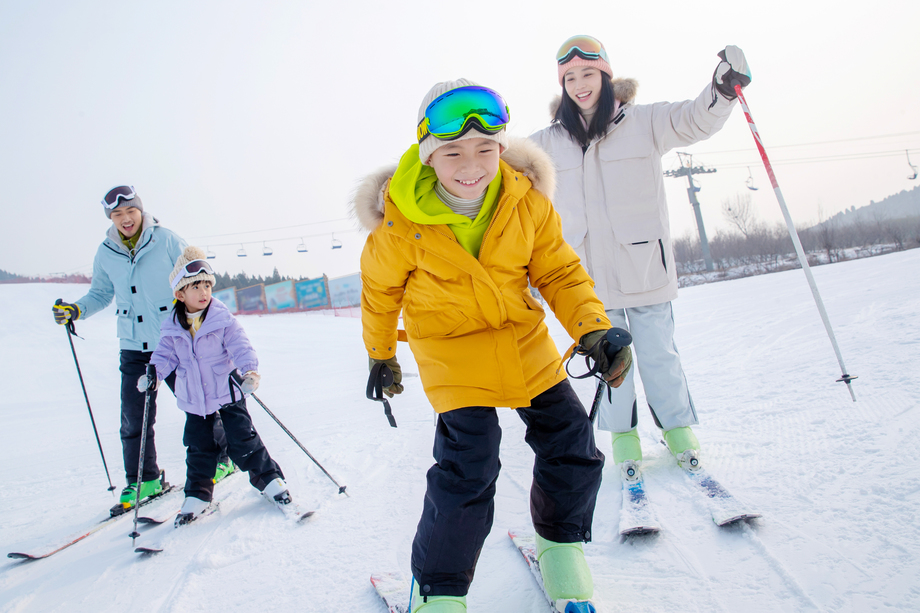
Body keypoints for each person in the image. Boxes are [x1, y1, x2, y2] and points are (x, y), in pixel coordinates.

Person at [353, 79, 631, 612]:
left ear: (501, 149)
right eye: (453, 151)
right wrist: (381, 352)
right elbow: (380, 292)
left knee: (572, 442)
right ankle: (438, 589)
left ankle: (558, 545)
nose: (471, 164)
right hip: (450, 349)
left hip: (521, 341)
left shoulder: (524, 202)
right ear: (428, 155)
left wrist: (591, 329)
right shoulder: (398, 223)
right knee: (470, 464)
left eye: (485, 149)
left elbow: (560, 272)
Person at [529, 36, 752, 472]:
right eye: (570, 77)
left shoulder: (644, 122)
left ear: (606, 75)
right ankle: (624, 438)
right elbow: (499, 167)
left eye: (588, 74)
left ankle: (677, 431)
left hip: (645, 266)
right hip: (586, 278)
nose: (580, 84)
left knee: (659, 356)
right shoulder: (547, 143)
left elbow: (694, 119)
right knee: (609, 363)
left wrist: (723, 90)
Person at [51, 186, 234, 515]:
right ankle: (144, 479)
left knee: (201, 404)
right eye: (117, 215)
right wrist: (76, 310)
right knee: (134, 416)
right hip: (134, 346)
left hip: (176, 342)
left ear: (140, 211)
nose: (125, 219)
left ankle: (224, 456)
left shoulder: (165, 240)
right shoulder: (106, 252)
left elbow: (197, 278)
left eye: (129, 212)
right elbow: (101, 293)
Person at [140, 246, 292, 524]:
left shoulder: (222, 320)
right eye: (195, 286)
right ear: (179, 294)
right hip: (195, 400)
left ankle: (270, 481)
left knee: (243, 440)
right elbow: (164, 355)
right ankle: (197, 496)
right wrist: (154, 374)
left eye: (207, 285)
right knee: (198, 447)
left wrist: (250, 370)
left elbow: (240, 345)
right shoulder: (172, 327)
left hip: (228, 392)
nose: (203, 292)